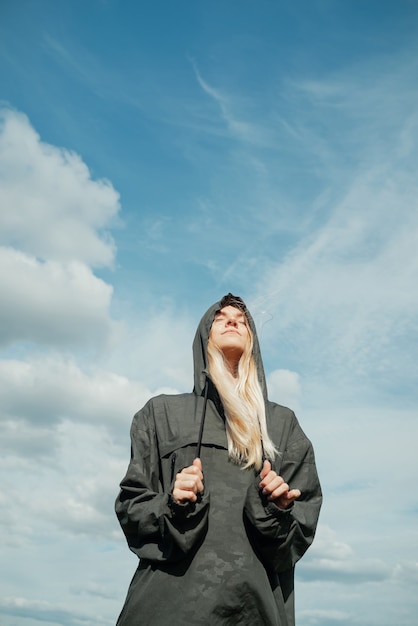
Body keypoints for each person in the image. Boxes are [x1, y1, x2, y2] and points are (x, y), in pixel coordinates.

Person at [115, 294, 322, 626]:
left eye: (241, 319)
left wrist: (279, 509)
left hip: (254, 610)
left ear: (253, 339)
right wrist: (173, 502)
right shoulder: (162, 413)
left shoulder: (282, 426)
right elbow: (132, 508)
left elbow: (295, 540)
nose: (232, 320)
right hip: (168, 608)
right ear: (203, 336)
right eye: (220, 317)